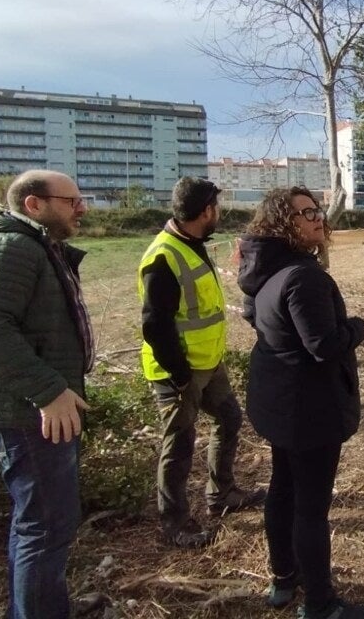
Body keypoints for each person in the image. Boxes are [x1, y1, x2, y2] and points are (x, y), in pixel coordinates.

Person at [0, 169, 95, 619]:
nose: (82, 208)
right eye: (71, 200)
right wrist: (49, 390)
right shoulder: (11, 246)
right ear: (34, 204)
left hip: (32, 408)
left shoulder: (33, 245)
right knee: (47, 525)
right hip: (26, 413)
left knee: (39, 522)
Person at [238, 187, 364, 619]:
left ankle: (283, 579)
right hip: (309, 410)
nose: (317, 218)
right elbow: (324, 344)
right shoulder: (303, 276)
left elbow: (257, 319)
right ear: (282, 223)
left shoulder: (264, 269)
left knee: (283, 489)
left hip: (279, 403)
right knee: (310, 509)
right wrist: (359, 327)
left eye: (316, 209)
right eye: (305, 213)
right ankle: (320, 604)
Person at [138, 176, 264, 549]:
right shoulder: (163, 257)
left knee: (229, 418)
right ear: (207, 210)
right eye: (217, 208)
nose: (219, 214)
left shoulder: (191, 244)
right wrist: (178, 374)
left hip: (208, 363)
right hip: (180, 371)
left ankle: (221, 494)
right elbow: (155, 325)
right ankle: (175, 523)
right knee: (178, 444)